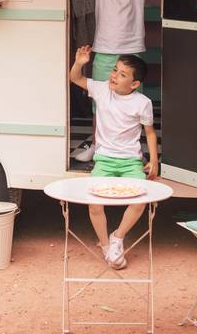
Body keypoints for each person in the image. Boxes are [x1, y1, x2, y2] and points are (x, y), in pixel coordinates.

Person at [71, 0, 159, 162]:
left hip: (131, 54)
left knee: (132, 106)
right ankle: (98, 146)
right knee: (100, 105)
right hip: (104, 53)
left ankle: (135, 150)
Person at [69, 46, 157, 269]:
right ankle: (106, 245)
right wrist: (80, 62)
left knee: (140, 200)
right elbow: (75, 78)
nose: (114, 76)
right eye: (115, 70)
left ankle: (118, 237)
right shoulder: (101, 90)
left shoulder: (142, 102)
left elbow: (149, 132)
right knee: (94, 204)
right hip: (105, 159)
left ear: (135, 84)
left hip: (130, 161)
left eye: (122, 74)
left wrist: (153, 160)